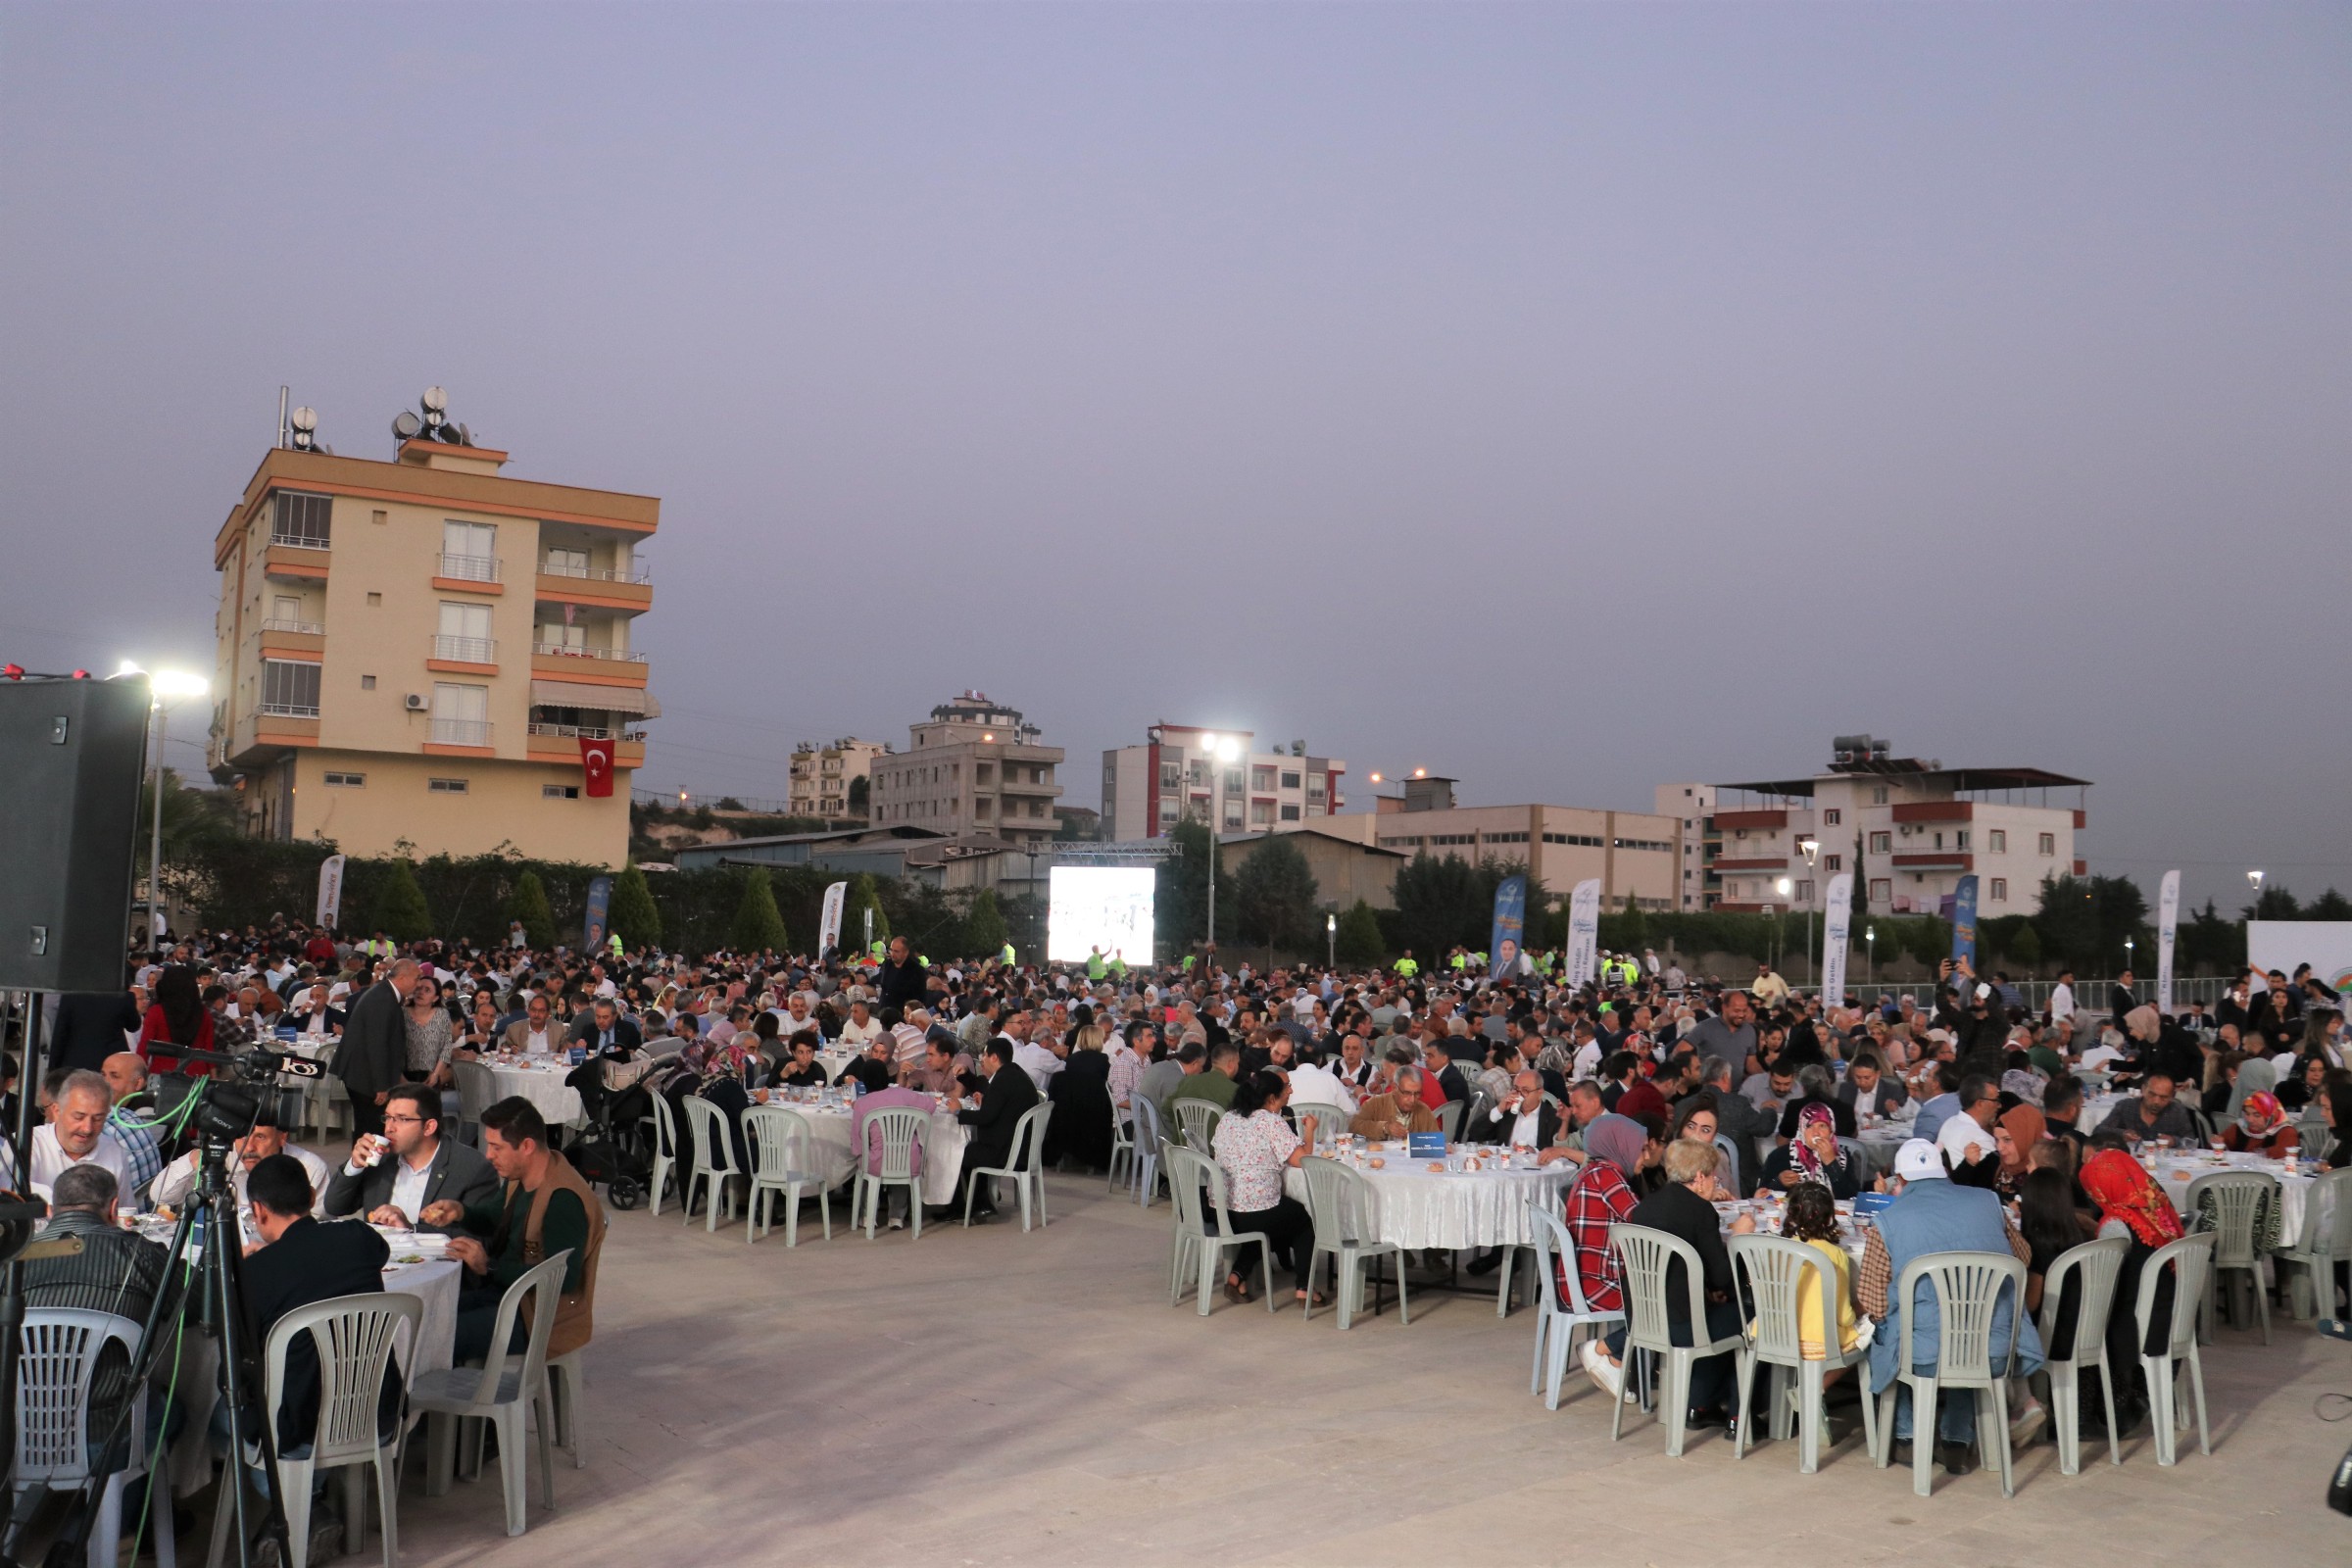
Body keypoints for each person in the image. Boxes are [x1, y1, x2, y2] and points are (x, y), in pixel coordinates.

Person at [1861, 1139, 2044, 1473]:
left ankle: (1906, 1436)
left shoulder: (1887, 1221)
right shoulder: (1988, 1202)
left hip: (1925, 1356)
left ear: (1900, 1180)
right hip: (1994, 1348)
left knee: (1889, 1326)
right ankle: (1957, 1440)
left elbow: (1873, 1301)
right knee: (1966, 1325)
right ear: (1943, 1172)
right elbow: (2023, 1257)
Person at [420, 1097, 606, 1364]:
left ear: (527, 1146)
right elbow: (496, 1218)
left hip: (539, 1318)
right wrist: (460, 1212)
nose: (488, 1155)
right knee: (425, 1318)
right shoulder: (522, 1176)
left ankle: (448, 1403)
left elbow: (562, 1278)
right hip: (510, 1297)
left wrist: (489, 1266)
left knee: (435, 1334)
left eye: (497, 1147)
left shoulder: (563, 1199)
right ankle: (443, 1404)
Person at [238, 1153, 401, 1454]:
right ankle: (313, 1491)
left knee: (214, 1414)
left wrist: (262, 1260)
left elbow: (237, 1370)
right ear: (312, 1197)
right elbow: (377, 1253)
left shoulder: (256, 1272)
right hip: (376, 1415)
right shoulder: (358, 1235)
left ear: (258, 1210)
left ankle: (300, 1496)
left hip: (298, 1429)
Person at [1607, 1140, 1752, 1428]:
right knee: (1752, 1318)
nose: (1715, 1181)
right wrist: (1738, 1236)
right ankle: (1738, 1415)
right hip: (1682, 1324)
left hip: (1644, 1318)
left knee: (1720, 1312)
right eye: (1714, 1176)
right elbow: (1724, 1276)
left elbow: (1680, 1268)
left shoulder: (1648, 1204)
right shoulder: (1701, 1211)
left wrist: (1709, 1291)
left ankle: (1699, 1404)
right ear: (1699, 1177)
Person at [1206, 1071, 1319, 1305]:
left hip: (1222, 1209)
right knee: (1302, 1221)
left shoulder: (1228, 1118)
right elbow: (1303, 1160)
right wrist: (1310, 1130)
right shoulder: (1271, 1122)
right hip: (1253, 1212)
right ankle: (1304, 1288)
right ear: (1270, 1098)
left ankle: (1237, 1276)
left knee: (1270, 1219)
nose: (1288, 1094)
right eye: (1283, 1092)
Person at [322, 1082, 499, 1231]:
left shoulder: (472, 1168)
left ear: (429, 1127)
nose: (389, 1128)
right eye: (388, 1118)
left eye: (402, 1119)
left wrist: (411, 1230)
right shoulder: (380, 1159)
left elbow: (480, 1239)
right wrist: (354, 1165)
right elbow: (335, 1206)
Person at [1572, 1115, 1660, 1396]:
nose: (1645, 1157)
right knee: (1665, 1302)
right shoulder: (1607, 1176)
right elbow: (1644, 1222)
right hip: (1599, 1283)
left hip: (1587, 1274)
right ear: (1620, 1145)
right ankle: (1606, 1349)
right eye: (1641, 1148)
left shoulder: (1594, 1171)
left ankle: (1619, 1358)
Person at [154, 1103, 329, 1215]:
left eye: (260, 1137)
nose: (249, 1147)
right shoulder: (220, 1158)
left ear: (282, 1137)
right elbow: (159, 1195)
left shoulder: (310, 1167)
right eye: (242, 1137)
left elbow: (320, 1224)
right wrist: (192, 1160)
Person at [947, 1039, 1041, 1220]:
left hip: (1007, 1151)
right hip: (1021, 1147)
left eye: (985, 1055)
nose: (982, 1060)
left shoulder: (1003, 1080)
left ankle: (966, 1206)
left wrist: (958, 1111)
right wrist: (984, 1098)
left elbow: (985, 1118)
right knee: (973, 1150)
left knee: (958, 1153)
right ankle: (981, 1202)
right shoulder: (1015, 1074)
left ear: (994, 1057)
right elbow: (997, 1102)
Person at [1777, 1180, 1861, 1369]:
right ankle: (1819, 1389)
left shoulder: (1778, 1250)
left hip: (1777, 1337)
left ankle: (1800, 1390)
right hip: (1821, 1343)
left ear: (1791, 1214)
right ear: (1830, 1217)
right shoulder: (1836, 1255)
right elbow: (1844, 1317)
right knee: (1867, 1335)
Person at [337, 956, 416, 1141]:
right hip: (365, 1076)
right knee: (371, 1131)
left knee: (368, 1129)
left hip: (362, 1072)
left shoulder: (385, 994)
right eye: (416, 978)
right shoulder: (383, 998)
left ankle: (363, 1167)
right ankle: (364, 1168)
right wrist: (381, 1085)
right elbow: (377, 1043)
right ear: (403, 977)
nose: (417, 984)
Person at [27, 1069, 133, 1194]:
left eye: (98, 1119)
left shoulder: (114, 1152)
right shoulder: (28, 1144)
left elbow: (124, 1210)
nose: (87, 1128)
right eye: (79, 1117)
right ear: (56, 1111)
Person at [851, 1075, 936, 1229]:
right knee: (902, 1158)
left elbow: (858, 1139)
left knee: (865, 1162)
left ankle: (868, 1216)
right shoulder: (904, 1094)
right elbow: (931, 1105)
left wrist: (858, 1155)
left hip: (877, 1163)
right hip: (908, 1161)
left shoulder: (862, 1104)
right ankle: (896, 1217)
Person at [2108, 1073, 2202, 1148]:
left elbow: (2191, 1141)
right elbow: (2099, 1131)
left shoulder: (2177, 1111)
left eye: (2163, 1097)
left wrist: (2174, 1141)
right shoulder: (2125, 1106)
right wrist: (2122, 1134)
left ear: (2172, 1096)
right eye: (2152, 1095)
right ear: (2143, 1089)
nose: (2156, 1101)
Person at [1348, 1065, 1439, 1140]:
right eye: (1406, 1093)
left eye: (1417, 1093)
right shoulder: (1375, 1103)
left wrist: (1442, 1146)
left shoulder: (1424, 1111)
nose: (1412, 1100)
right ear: (1394, 1088)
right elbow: (1353, 1126)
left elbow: (1436, 1140)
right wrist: (1384, 1127)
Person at [501, 993, 565, 1057]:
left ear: (548, 1013)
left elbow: (564, 1047)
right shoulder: (514, 1029)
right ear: (528, 1011)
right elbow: (505, 1047)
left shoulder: (558, 1029)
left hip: (551, 1066)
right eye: (533, 1010)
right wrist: (510, 1050)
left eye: (541, 1011)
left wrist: (564, 1048)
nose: (536, 1014)